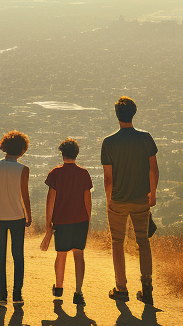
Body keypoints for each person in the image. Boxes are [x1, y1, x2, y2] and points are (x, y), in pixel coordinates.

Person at [101, 96, 159, 304]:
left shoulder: (109, 142)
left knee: (118, 242)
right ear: (134, 113)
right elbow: (153, 169)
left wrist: (109, 200)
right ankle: (147, 286)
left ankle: (121, 288)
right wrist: (152, 194)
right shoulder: (145, 138)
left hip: (118, 199)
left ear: (116, 115)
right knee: (143, 241)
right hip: (141, 198)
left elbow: (108, 178)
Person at [0, 130, 32, 307]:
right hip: (17, 215)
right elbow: (24, 195)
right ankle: (17, 296)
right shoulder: (23, 169)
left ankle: (2, 297)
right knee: (18, 256)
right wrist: (29, 214)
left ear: (4, 146)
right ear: (21, 150)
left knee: (0, 256)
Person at [42, 139, 93, 306]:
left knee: (61, 254)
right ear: (76, 154)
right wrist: (88, 220)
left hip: (61, 221)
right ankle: (78, 292)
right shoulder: (84, 174)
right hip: (80, 219)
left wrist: (48, 225)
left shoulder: (55, 173)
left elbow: (50, 201)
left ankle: (59, 287)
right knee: (79, 255)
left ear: (62, 154)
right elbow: (87, 200)